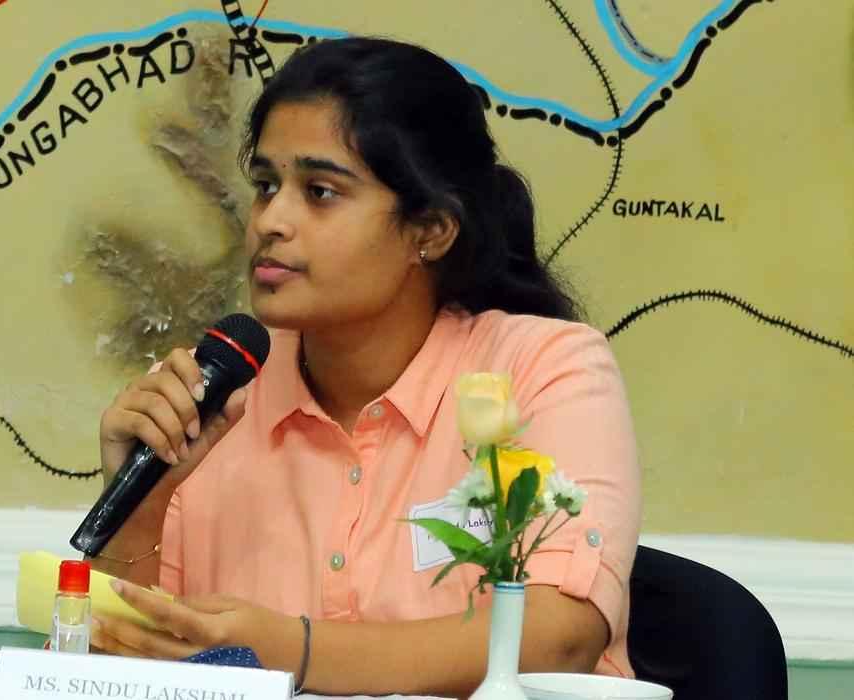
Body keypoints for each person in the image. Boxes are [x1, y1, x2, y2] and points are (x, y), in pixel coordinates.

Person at [88, 37, 641, 697]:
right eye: (266, 186)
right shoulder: (217, 396)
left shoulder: (543, 368)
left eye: (320, 192)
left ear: (430, 230)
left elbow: (560, 637)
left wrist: (289, 648)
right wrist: (139, 509)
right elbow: (122, 670)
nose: (270, 221)